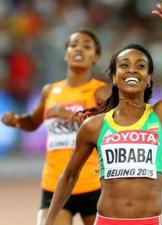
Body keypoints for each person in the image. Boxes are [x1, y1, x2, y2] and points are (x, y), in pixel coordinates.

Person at [43, 2, 162, 225]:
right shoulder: (94, 126)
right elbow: (69, 176)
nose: (132, 70)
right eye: (124, 65)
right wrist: (48, 220)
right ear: (114, 77)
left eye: (140, 66)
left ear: (148, 78)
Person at [1, 29, 110, 225]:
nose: (79, 50)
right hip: (55, 185)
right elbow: (33, 122)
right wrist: (17, 120)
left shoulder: (101, 91)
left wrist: (68, 115)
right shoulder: (50, 91)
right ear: (65, 53)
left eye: (87, 46)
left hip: (93, 185)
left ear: (96, 57)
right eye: (74, 45)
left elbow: (109, 129)